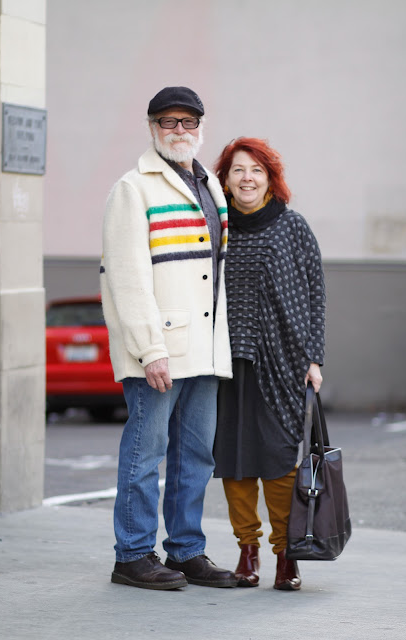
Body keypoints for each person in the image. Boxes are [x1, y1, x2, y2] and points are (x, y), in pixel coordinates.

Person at [100, 86, 236, 591]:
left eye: (187, 122)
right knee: (145, 453)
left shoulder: (211, 186)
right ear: (152, 127)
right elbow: (126, 278)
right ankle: (132, 555)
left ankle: (185, 551)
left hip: (204, 348)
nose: (179, 130)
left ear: (201, 127)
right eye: (168, 121)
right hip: (159, 351)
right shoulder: (133, 188)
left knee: (195, 456)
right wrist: (149, 349)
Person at [213, 137, 326, 591]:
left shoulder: (293, 227)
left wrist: (314, 357)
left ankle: (285, 552)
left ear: (269, 178)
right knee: (234, 457)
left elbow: (316, 293)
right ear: (225, 178)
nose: (246, 178)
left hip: (282, 359)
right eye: (238, 170)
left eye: (256, 170)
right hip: (222, 359)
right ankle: (247, 549)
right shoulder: (216, 227)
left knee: (280, 458)